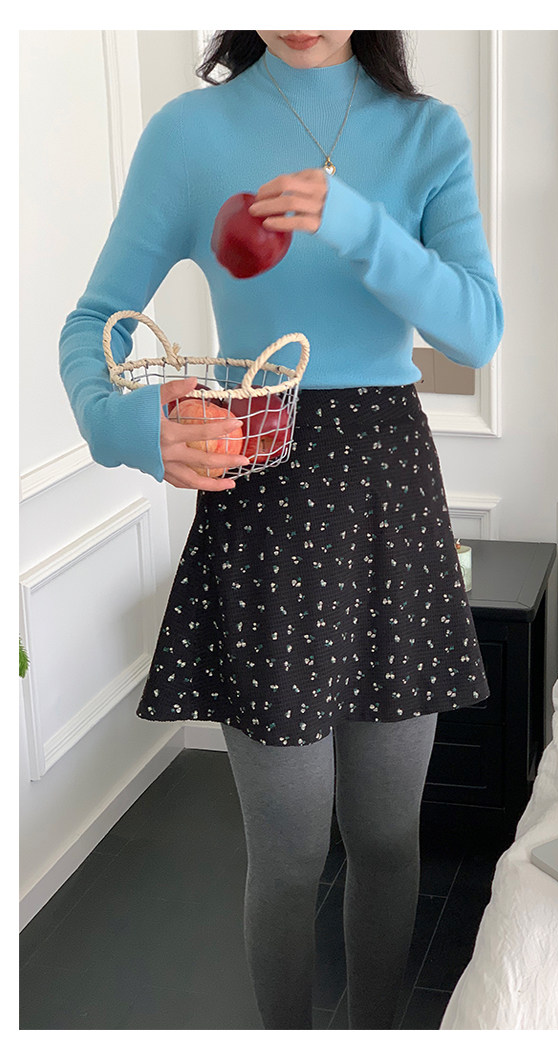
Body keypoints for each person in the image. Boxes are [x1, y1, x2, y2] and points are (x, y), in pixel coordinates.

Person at [59, 30, 504, 1031]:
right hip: (264, 498)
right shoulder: (189, 134)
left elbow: (476, 330)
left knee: (387, 839)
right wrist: (130, 426)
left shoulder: (427, 134)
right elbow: (94, 320)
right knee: (290, 852)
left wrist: (357, 222)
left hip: (390, 500)